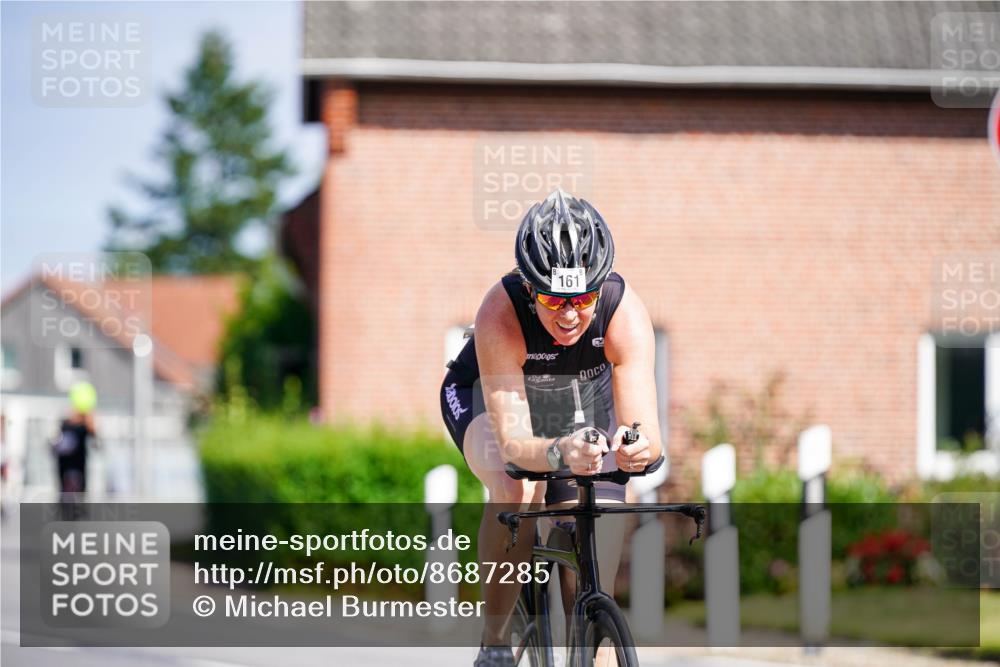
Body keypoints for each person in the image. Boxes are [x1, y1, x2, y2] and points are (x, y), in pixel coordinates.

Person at [440, 189, 662, 666]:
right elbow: (518, 446)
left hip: (578, 400)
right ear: (528, 287)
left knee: (592, 520)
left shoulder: (625, 313)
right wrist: (558, 454)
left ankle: (590, 632)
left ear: (600, 288)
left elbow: (648, 433)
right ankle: (495, 641)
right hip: (487, 395)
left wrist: (635, 450)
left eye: (582, 298)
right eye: (553, 298)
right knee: (514, 485)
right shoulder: (500, 312)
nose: (568, 314)